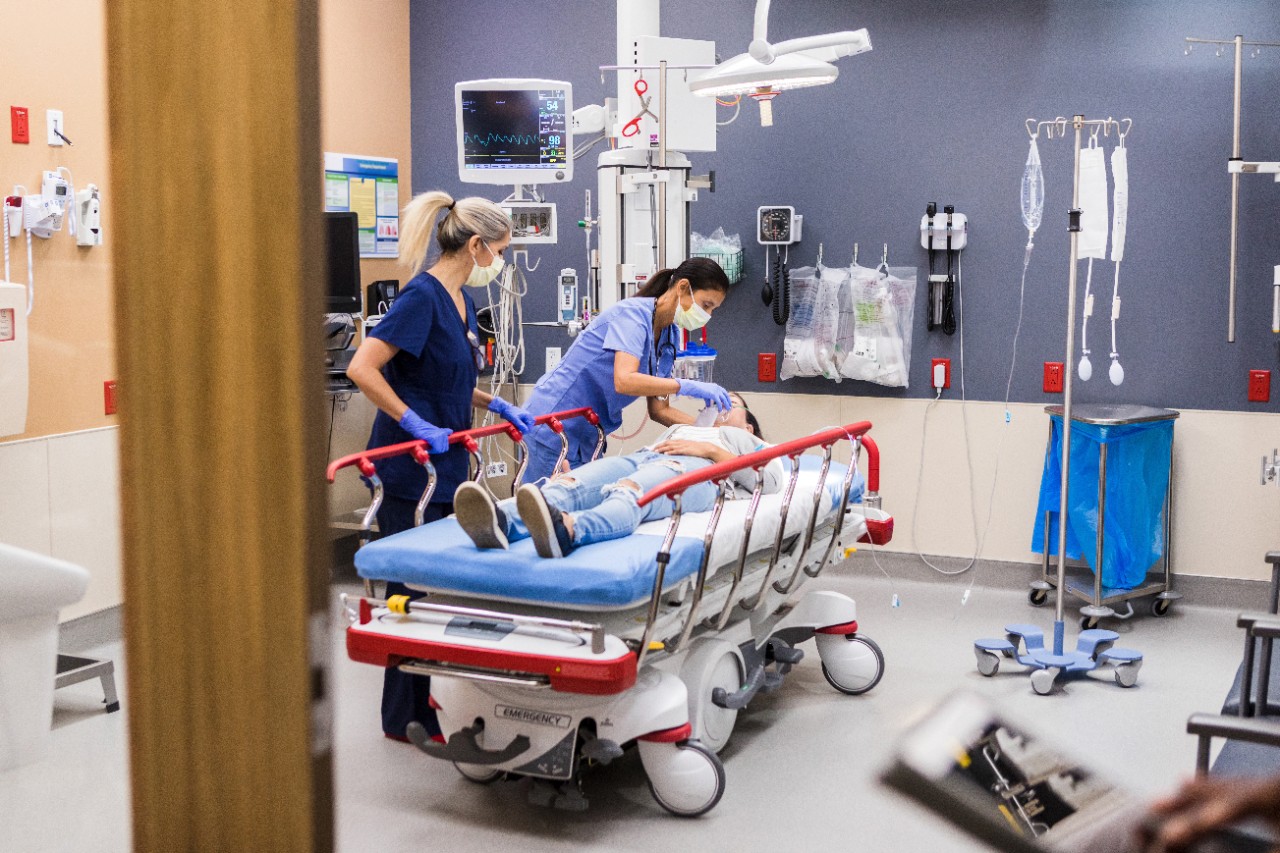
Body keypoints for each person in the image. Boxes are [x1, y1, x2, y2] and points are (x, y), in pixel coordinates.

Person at [345, 190, 535, 741]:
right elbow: (363, 367)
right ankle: (403, 718)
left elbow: (443, 375)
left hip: (446, 465)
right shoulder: (422, 297)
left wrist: (492, 403)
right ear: (475, 246)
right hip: (411, 470)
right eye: (498, 251)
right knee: (408, 595)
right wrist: (412, 422)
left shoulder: (458, 304)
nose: (500, 263)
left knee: (436, 594)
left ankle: (431, 706)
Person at [454, 393, 782, 557]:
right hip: (648, 456)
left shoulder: (750, 442)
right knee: (572, 484)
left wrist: (711, 452)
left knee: (628, 491)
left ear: (749, 424)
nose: (721, 403)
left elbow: (772, 481)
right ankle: (502, 522)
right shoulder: (685, 428)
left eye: (733, 402)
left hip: (702, 472)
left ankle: (570, 531)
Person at [519, 257, 735, 485]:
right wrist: (686, 385)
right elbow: (624, 380)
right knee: (542, 511)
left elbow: (660, 410)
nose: (707, 316)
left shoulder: (668, 337)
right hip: (553, 423)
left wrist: (707, 434)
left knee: (574, 510)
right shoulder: (632, 316)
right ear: (683, 287)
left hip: (589, 433)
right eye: (706, 305)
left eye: (713, 309)